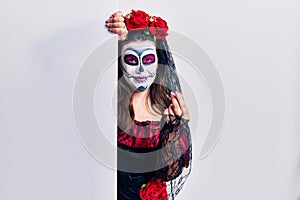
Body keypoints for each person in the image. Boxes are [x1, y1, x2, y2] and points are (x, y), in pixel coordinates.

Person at [105, 10, 192, 200]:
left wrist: (175, 126)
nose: (141, 69)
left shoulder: (165, 105)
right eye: (131, 60)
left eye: (148, 59)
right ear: (120, 61)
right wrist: (108, 32)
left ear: (158, 61)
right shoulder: (109, 100)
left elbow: (168, 174)